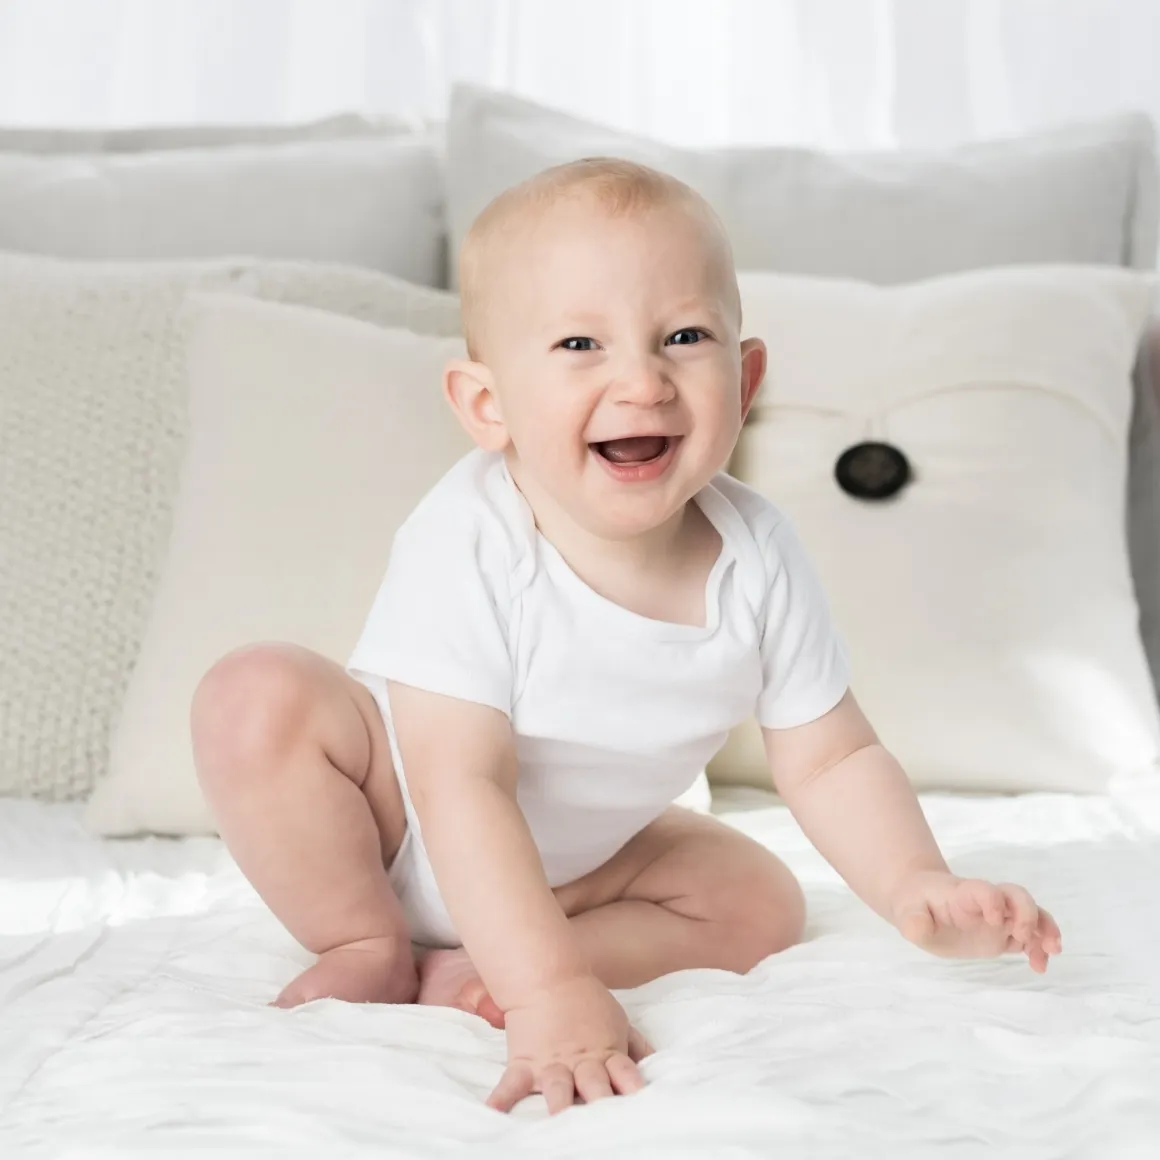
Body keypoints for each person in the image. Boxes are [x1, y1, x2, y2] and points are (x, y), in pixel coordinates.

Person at [191, 158, 1062, 1116]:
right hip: (394, 818)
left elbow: (831, 757)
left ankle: (477, 967)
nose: (641, 381)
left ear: (748, 375)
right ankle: (368, 941)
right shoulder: (471, 536)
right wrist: (553, 998)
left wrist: (915, 884)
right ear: (488, 405)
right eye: (579, 344)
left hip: (575, 867)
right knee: (255, 695)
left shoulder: (758, 555)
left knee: (760, 902)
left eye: (685, 336)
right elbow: (459, 784)